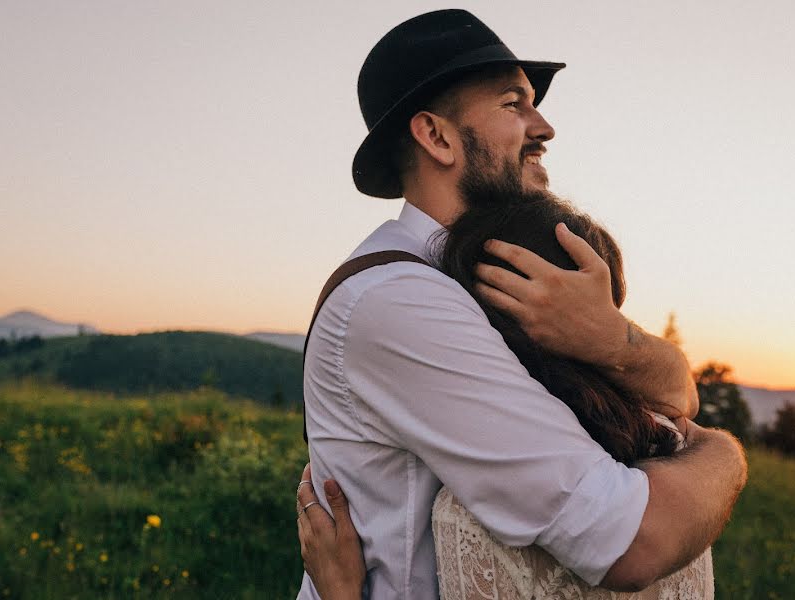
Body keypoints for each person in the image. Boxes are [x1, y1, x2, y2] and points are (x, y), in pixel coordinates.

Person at [299, 9, 746, 600]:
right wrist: (727, 456)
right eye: (514, 104)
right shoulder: (397, 300)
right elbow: (628, 541)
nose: (544, 127)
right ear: (436, 136)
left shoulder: (505, 271)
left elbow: (677, 391)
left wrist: (615, 341)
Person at [299, 193, 718, 599]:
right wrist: (721, 451)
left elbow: (630, 545)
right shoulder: (679, 466)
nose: (543, 131)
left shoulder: (469, 518)